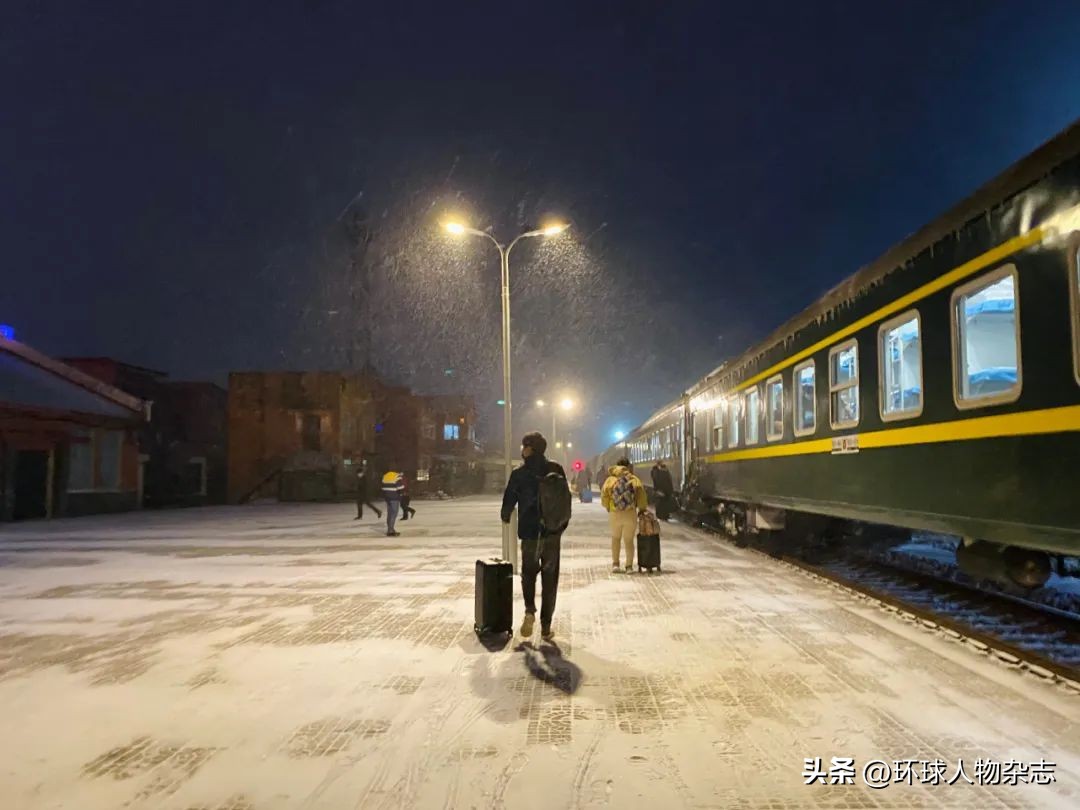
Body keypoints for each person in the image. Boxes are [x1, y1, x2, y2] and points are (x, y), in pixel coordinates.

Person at [500, 432, 567, 642]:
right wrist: (559, 525)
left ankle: (530, 611)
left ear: (530, 449)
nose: (522, 449)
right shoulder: (556, 469)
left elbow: (508, 503)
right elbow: (565, 500)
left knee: (528, 574)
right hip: (552, 533)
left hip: (529, 533)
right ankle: (546, 627)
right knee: (550, 579)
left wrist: (506, 515)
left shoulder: (519, 474)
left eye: (524, 446)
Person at [601, 457, 648, 573]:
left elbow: (604, 496)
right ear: (628, 466)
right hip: (630, 513)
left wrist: (608, 506)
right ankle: (629, 566)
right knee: (629, 541)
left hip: (615, 513)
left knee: (616, 538)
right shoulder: (634, 479)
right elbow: (642, 497)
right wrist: (642, 509)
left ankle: (616, 564)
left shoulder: (610, 480)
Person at [381, 468, 404, 536]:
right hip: (394, 497)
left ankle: (390, 529)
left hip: (387, 497)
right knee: (394, 513)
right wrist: (403, 486)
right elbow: (400, 487)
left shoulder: (385, 476)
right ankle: (390, 531)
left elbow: (382, 487)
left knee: (390, 513)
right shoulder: (397, 476)